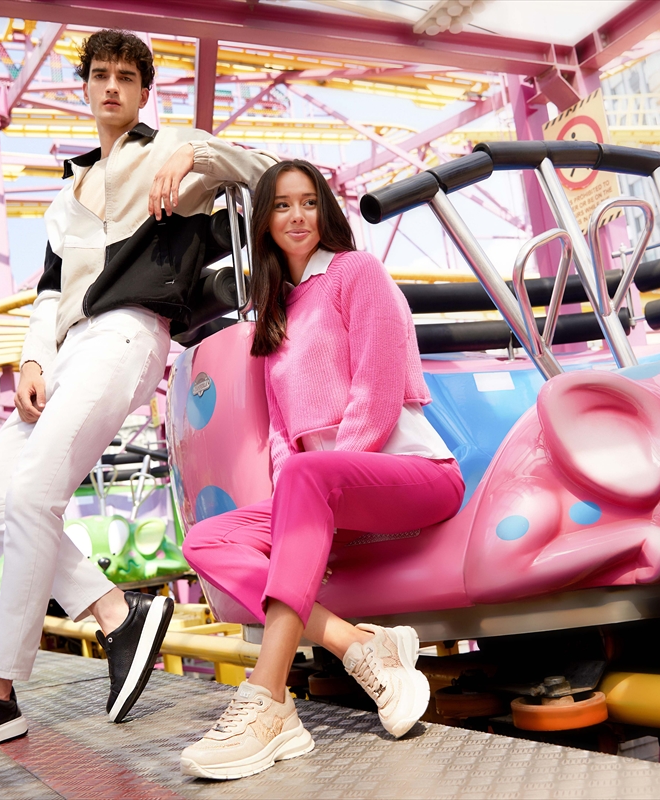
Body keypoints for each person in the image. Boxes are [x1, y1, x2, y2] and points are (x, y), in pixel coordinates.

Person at [0, 30, 277, 764]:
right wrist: (31, 358)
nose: (112, 86)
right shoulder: (65, 195)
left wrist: (196, 154)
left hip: (128, 333)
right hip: (68, 349)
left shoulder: (172, 148)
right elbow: (50, 291)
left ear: (143, 91)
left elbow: (271, 176)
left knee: (34, 494)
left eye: (126, 77)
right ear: (85, 87)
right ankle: (117, 613)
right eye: (101, 75)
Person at [179, 160, 464, 780]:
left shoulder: (355, 273)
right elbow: (284, 439)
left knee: (309, 477)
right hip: (329, 494)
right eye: (282, 205)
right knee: (206, 540)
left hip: (411, 473)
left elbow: (378, 397)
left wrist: (319, 494)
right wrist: (297, 515)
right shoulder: (275, 313)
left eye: (309, 202)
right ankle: (356, 644)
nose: (297, 216)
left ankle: (267, 699)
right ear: (265, 221)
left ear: (325, 210)